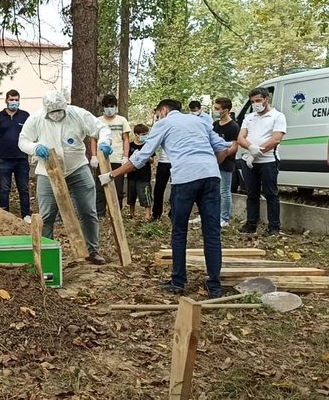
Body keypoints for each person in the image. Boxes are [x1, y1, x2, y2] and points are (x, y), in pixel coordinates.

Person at [100, 99, 237, 298]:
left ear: (164, 110)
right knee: (212, 233)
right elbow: (224, 148)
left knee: (179, 231)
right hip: (211, 177)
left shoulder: (164, 123)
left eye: (157, 113)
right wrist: (208, 165)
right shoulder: (200, 121)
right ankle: (214, 286)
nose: (157, 117)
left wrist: (113, 174)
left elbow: (141, 156)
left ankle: (178, 281)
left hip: (185, 179)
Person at [18, 89, 112, 265]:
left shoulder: (78, 114)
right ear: (46, 110)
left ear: (65, 106)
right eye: (52, 112)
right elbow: (23, 140)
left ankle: (92, 250)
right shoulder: (36, 118)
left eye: (59, 110)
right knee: (47, 216)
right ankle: (47, 255)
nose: (56, 114)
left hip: (77, 168)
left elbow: (101, 128)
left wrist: (105, 142)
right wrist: (35, 148)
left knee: (88, 211)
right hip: (48, 171)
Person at [237, 87, 287, 235]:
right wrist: (250, 148)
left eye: (258, 100)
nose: (255, 104)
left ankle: (274, 227)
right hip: (249, 161)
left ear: (266, 99)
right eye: (252, 101)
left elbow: (276, 139)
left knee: (271, 194)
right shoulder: (249, 117)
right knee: (251, 193)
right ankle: (251, 224)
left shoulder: (277, 116)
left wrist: (257, 153)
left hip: (268, 161)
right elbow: (241, 137)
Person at [0, 90, 32, 223]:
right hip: (4, 159)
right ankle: (4, 214)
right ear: (6, 100)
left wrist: (33, 151)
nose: (14, 102)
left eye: (16, 100)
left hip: (21, 158)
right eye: (11, 99)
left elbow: (32, 134)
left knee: (23, 188)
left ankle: (26, 215)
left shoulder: (25, 116)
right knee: (4, 188)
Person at [92, 94, 129, 217]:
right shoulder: (98, 121)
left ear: (115, 107)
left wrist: (125, 156)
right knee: (100, 187)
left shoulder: (122, 120)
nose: (109, 109)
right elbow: (93, 139)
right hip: (102, 159)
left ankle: (116, 213)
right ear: (103, 107)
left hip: (117, 158)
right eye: (107, 106)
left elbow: (126, 139)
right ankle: (100, 213)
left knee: (118, 188)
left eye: (112, 106)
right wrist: (94, 156)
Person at [212, 97, 240, 226]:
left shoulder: (233, 126)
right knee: (212, 190)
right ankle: (211, 214)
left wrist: (222, 156)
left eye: (217, 109)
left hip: (226, 163)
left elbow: (234, 147)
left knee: (224, 191)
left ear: (226, 110)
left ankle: (224, 218)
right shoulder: (215, 125)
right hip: (213, 162)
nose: (215, 111)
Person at [127, 124, 153, 219]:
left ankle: (147, 215)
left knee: (145, 196)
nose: (146, 136)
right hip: (132, 175)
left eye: (147, 134)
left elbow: (152, 160)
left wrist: (146, 157)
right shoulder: (130, 145)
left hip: (144, 176)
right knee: (131, 196)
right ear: (136, 134)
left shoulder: (148, 146)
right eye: (143, 134)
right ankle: (131, 214)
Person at [151, 147, 171, 221]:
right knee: (158, 188)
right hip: (163, 161)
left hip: (177, 161)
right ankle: (156, 213)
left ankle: (173, 213)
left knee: (176, 189)